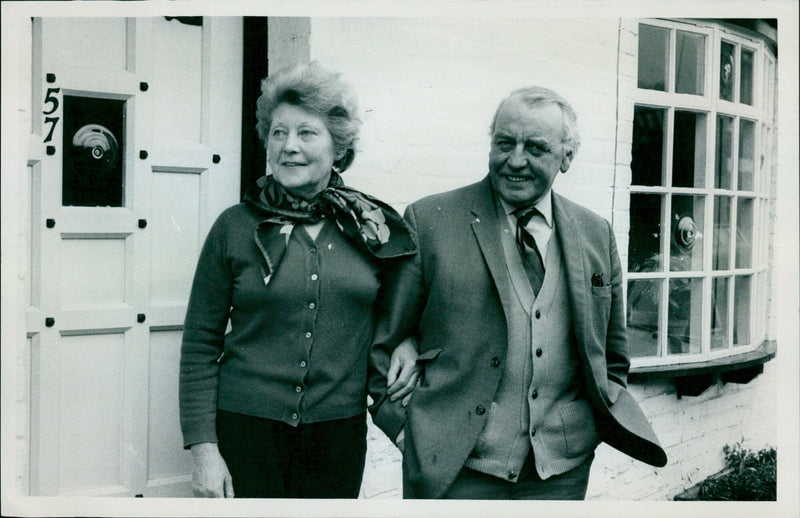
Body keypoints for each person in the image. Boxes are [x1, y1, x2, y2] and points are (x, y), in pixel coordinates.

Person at [369, 86, 667, 500]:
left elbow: (611, 358)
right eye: (504, 143)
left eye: (536, 148)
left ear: (566, 157)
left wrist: (587, 430)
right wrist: (405, 432)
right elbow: (383, 342)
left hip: (561, 471)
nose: (515, 160)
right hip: (455, 467)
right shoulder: (430, 220)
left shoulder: (594, 232)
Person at [179, 62, 420, 499]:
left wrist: (406, 338)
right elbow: (200, 342)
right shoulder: (234, 227)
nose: (289, 147)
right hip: (246, 432)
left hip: (337, 436)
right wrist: (204, 451)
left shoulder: (371, 229)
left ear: (338, 147)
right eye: (278, 133)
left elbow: (401, 309)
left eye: (307, 133)